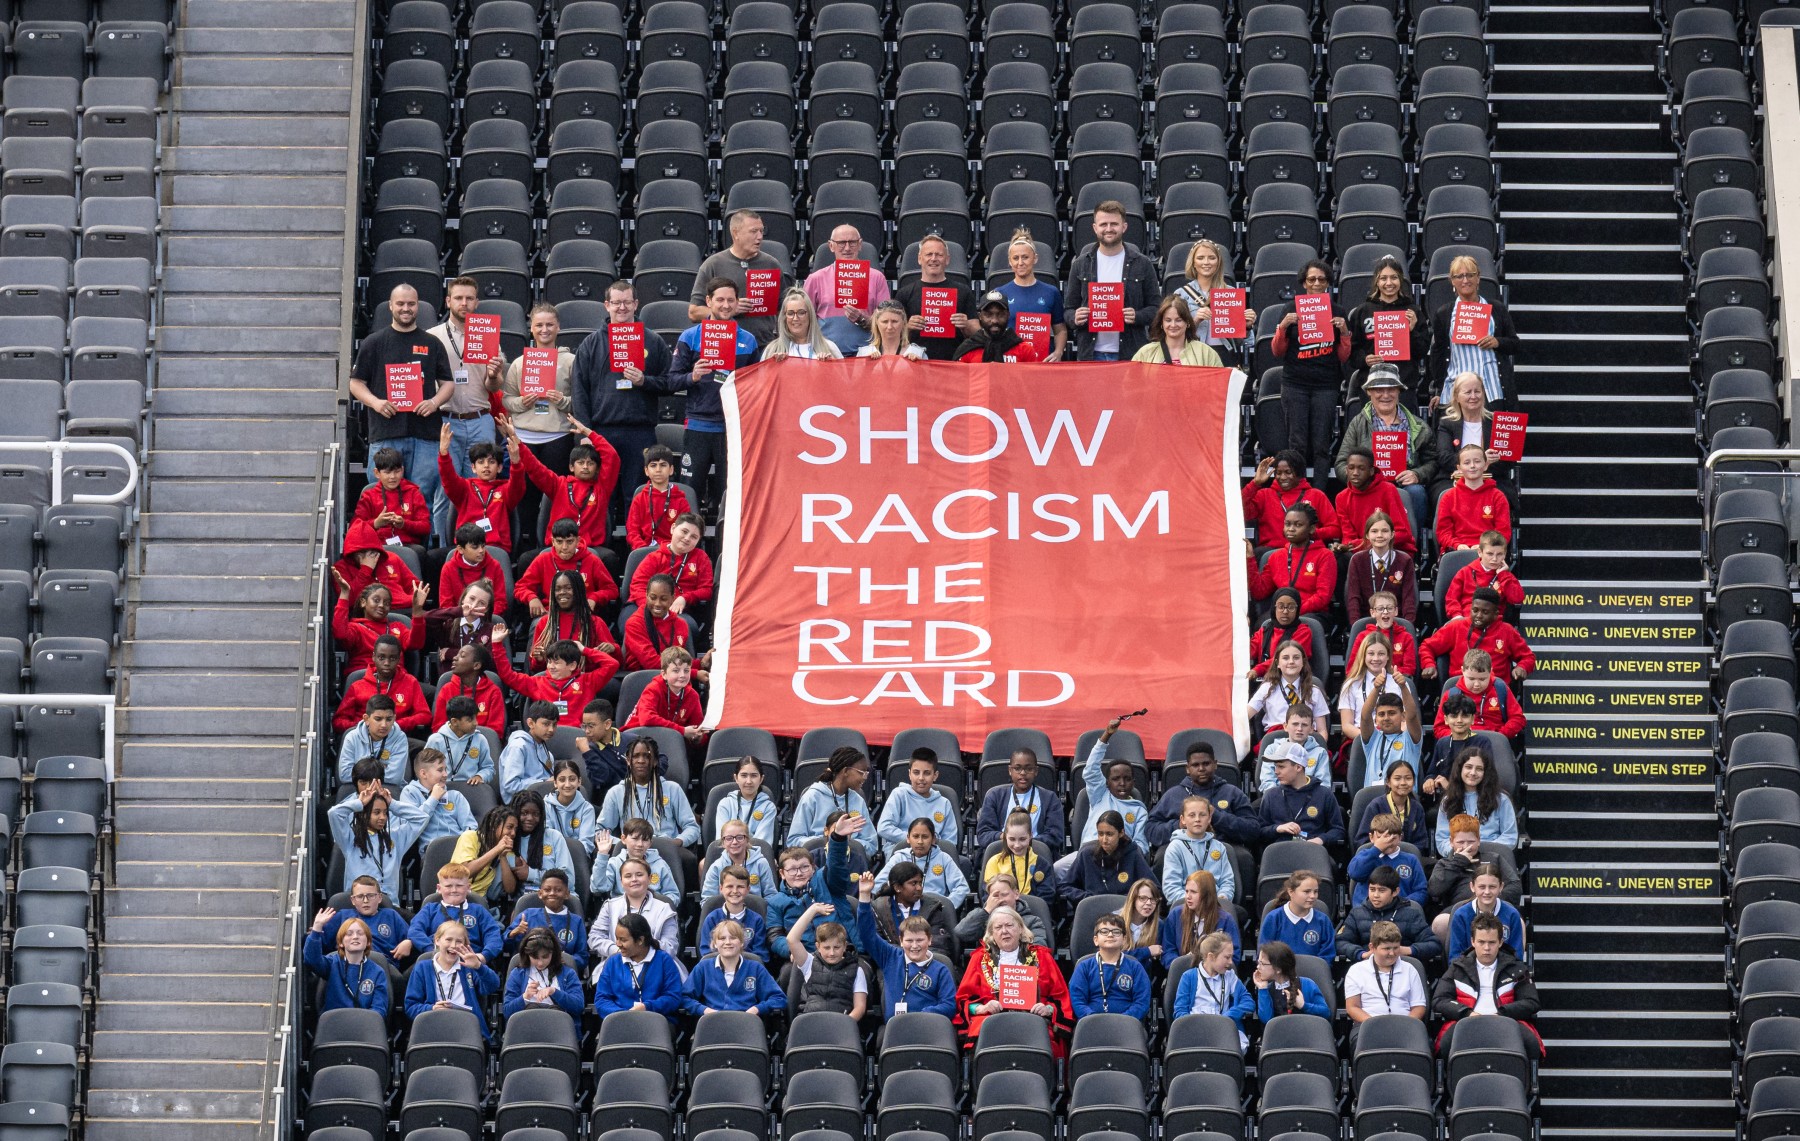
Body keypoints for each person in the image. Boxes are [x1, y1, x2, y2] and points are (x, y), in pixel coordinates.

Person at [350, 284, 457, 542]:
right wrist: (376, 403)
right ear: (390, 306)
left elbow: (448, 383)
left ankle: (419, 555)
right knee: (380, 500)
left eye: (411, 304)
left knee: (422, 500)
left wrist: (434, 402)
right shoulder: (374, 342)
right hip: (385, 434)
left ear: (418, 306)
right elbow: (355, 383)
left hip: (425, 435)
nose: (406, 309)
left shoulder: (431, 343)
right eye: (400, 304)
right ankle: (380, 552)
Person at [571, 279, 675, 522]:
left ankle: (634, 545)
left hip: (640, 431)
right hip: (601, 431)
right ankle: (601, 545)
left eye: (627, 302)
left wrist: (644, 381)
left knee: (636, 496)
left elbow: (670, 383)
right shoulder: (591, 344)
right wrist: (585, 433)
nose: (622, 308)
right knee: (600, 497)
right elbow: (579, 390)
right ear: (606, 305)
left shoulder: (653, 341)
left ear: (636, 304)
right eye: (616, 303)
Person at [670, 278, 760, 513]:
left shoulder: (748, 341)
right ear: (708, 301)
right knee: (689, 494)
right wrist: (693, 376)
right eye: (720, 299)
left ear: (737, 302)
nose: (726, 305)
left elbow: (756, 386)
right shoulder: (690, 337)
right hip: (698, 425)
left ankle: (724, 538)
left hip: (731, 428)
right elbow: (672, 381)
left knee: (729, 495)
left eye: (731, 300)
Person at [500, 303, 582, 535]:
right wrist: (522, 402)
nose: (544, 330)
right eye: (539, 325)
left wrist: (562, 401)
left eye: (549, 325)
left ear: (558, 327)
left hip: (558, 437)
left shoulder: (571, 361)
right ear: (531, 329)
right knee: (525, 496)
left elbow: (580, 402)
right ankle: (526, 543)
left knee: (556, 496)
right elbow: (507, 400)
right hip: (525, 438)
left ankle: (555, 541)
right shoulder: (519, 363)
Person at [1271, 260, 1353, 480]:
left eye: (1321, 279)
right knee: (1296, 443)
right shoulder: (1290, 309)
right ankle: (1297, 490)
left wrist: (1345, 332)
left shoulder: (1338, 311)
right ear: (1304, 283)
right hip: (1295, 384)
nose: (1316, 283)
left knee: (1321, 444)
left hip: (1326, 385)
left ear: (1328, 283)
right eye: (1312, 279)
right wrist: (1283, 327)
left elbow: (1343, 356)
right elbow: (1277, 351)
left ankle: (1319, 493)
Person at [955, 906, 1073, 1052]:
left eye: (1009, 925)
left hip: (1034, 1021)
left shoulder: (1042, 956)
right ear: (991, 934)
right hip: (991, 1021)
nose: (1004, 931)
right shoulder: (979, 958)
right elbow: (963, 1000)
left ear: (1021, 929)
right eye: (998, 927)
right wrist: (982, 1008)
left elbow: (1061, 997)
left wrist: (1048, 1009)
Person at [427, 276, 508, 487]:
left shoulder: (488, 335)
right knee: (446, 488)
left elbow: (494, 386)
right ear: (448, 301)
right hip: (446, 419)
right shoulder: (432, 337)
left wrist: (493, 375)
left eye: (469, 298)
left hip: (480, 419)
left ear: (476, 302)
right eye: (458, 298)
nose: (464, 303)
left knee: (482, 486)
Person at [508, 415, 622, 555]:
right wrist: (518, 442)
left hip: (591, 549)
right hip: (557, 547)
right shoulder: (559, 484)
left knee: (610, 558)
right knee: (525, 559)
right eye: (581, 463)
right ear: (571, 467)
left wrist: (588, 432)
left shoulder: (602, 487)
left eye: (590, 463)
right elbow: (535, 468)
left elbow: (612, 456)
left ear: (597, 468)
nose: (585, 467)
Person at [1431, 913, 1542, 1054]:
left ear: (1500, 942)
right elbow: (1439, 1000)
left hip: (1506, 1021)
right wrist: (1467, 1013)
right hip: (1466, 1021)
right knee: (1445, 1045)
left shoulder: (1517, 968)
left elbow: (1532, 1002)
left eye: (1492, 942)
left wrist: (1502, 1013)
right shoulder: (1457, 968)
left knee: (1532, 1044)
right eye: (1481, 942)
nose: (1486, 948)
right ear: (1473, 941)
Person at [1065, 200, 1159, 360]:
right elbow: (1068, 310)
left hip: (1131, 353)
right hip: (1091, 354)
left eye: (1114, 224)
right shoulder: (1080, 264)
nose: (1108, 229)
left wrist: (1137, 316)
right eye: (1103, 224)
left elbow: (1156, 308)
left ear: (1124, 226)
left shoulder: (1143, 263)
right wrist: (1075, 317)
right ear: (1095, 228)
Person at [855, 872, 957, 1018]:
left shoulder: (941, 969)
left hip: (927, 1025)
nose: (914, 946)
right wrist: (865, 896)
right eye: (909, 941)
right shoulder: (890, 956)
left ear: (929, 940)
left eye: (919, 940)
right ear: (901, 941)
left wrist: (919, 1016)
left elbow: (949, 1005)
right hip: (895, 1027)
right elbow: (867, 934)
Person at [1428, 256, 1519, 409]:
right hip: (1456, 389)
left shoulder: (1497, 308)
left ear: (1478, 278)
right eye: (1459, 276)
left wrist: (1497, 342)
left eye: (1470, 275)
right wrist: (1438, 389)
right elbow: (1438, 354)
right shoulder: (1444, 314)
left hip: (1492, 390)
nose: (1465, 280)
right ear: (1452, 281)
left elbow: (1515, 344)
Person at [765, 816, 860, 959]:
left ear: (813, 867)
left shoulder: (826, 881)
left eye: (804, 867)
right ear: (782, 874)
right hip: (804, 956)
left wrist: (838, 839)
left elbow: (837, 866)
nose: (799, 873)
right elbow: (774, 936)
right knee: (787, 971)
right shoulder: (775, 902)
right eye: (792, 869)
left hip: (842, 953)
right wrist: (791, 951)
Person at [690, 209, 785, 346]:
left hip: (764, 346)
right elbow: (694, 312)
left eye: (761, 231)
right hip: (725, 346)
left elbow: (783, 309)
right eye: (753, 231)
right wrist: (730, 309)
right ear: (736, 233)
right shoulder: (713, 264)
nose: (759, 237)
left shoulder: (771, 264)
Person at [437, 421, 528, 559]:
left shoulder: (505, 489)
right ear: (473, 467)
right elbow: (448, 479)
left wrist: (516, 462)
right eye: (481, 462)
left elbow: (518, 486)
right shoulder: (464, 487)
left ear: (499, 467)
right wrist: (444, 454)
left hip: (496, 548)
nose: (486, 466)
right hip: (466, 547)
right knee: (432, 558)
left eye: (491, 462)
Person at [492, 631, 618, 728]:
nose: (551, 666)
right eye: (549, 662)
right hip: (546, 738)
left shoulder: (587, 681)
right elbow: (507, 675)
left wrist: (584, 650)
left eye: (556, 663)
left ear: (572, 665)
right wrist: (497, 645)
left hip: (579, 737)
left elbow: (612, 664)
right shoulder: (537, 682)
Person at [1345, 255, 1427, 403]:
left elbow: (1421, 351)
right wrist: (1364, 359)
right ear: (1377, 282)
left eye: (1394, 277)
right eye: (1383, 278)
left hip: (1404, 386)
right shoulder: (1362, 311)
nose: (1389, 283)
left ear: (1400, 280)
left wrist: (1412, 331)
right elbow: (1351, 351)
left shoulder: (1412, 311)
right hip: (1372, 385)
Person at [328, 782, 430, 898]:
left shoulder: (396, 837)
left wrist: (392, 804)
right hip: (358, 904)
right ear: (364, 814)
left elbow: (422, 818)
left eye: (385, 813)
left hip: (389, 904)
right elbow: (334, 813)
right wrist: (359, 803)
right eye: (376, 812)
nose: (383, 817)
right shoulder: (350, 838)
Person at [804, 223, 893, 355]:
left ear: (860, 244)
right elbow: (805, 319)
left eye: (852, 243)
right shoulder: (815, 279)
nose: (847, 248)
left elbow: (887, 322)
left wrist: (863, 320)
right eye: (841, 243)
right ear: (831, 246)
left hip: (867, 355)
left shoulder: (877, 278)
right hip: (826, 355)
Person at [1148, 742, 1258, 849]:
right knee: (1162, 856)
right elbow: (1150, 829)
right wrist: (1180, 825)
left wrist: (1216, 816)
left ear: (1215, 764)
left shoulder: (1232, 792)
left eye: (1206, 764)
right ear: (1187, 768)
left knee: (1243, 857)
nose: (1201, 769)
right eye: (1195, 765)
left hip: (1223, 848)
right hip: (1182, 849)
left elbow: (1253, 830)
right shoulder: (1172, 795)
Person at [1433, 371, 1518, 508]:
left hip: (1492, 477)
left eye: (1477, 391)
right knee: (1446, 496)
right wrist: (1478, 462)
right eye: (1468, 392)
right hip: (1452, 477)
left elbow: (1508, 460)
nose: (1473, 396)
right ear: (1457, 396)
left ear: (1483, 394)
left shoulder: (1498, 422)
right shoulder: (1446, 423)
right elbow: (1444, 457)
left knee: (1499, 496)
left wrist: (1480, 470)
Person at [598, 734, 700, 846]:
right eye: (635, 756)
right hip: (630, 850)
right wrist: (624, 843)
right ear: (628, 760)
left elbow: (692, 827)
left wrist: (676, 843)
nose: (641, 760)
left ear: (655, 761)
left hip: (666, 847)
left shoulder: (672, 789)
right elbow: (600, 831)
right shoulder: (616, 792)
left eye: (647, 756)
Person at [404, 920, 501, 1036]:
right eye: (448, 940)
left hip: (466, 1028)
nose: (453, 945)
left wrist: (479, 967)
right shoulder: (422, 968)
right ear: (437, 940)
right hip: (433, 1026)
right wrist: (431, 1008)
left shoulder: (469, 967)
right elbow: (411, 1007)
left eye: (459, 941)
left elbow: (493, 986)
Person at [1173, 238, 1255, 368]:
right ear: (1193, 263)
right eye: (1200, 258)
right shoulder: (1181, 294)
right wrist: (1195, 320)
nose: (1206, 262)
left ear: (1218, 262)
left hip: (1225, 354)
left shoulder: (1231, 292)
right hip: (1194, 354)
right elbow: (1173, 334)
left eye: (1211, 258)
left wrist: (1246, 327)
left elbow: (1244, 342)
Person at [1248, 504, 1339, 619]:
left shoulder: (1325, 555)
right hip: (1283, 612)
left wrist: (1294, 610)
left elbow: (1322, 597)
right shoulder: (1276, 556)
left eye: (1298, 525)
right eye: (1287, 524)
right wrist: (1250, 558)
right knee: (1263, 624)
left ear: (1311, 529)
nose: (1291, 529)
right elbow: (1260, 592)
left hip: (1313, 613)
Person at [1337, 865, 1441, 964]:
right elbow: (1340, 942)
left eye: (1381, 891)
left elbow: (1434, 944)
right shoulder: (1357, 913)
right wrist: (1361, 954)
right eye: (1372, 889)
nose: (1375, 895)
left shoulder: (1411, 914)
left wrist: (1406, 950)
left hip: (1403, 967)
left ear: (1395, 891)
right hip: (1367, 968)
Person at [896, 234, 977, 360]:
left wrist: (966, 325)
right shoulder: (904, 293)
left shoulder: (963, 291)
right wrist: (908, 327)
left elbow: (978, 333)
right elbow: (890, 333)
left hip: (953, 361)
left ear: (947, 259)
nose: (933, 259)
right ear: (919, 259)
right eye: (929, 254)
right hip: (915, 361)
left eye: (939, 255)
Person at [683, 919, 786, 1018]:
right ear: (715, 944)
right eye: (722, 938)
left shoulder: (756, 968)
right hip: (713, 1023)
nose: (728, 942)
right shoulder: (703, 968)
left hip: (746, 1023)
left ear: (742, 942)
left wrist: (756, 1009)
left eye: (733, 938)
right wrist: (704, 1010)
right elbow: (684, 998)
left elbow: (779, 998)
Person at [788, 746, 879, 858]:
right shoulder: (812, 797)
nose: (865, 777)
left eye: (866, 773)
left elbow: (871, 843)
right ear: (845, 771)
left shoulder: (858, 801)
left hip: (850, 859)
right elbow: (794, 840)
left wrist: (847, 845)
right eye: (861, 772)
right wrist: (828, 842)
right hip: (817, 859)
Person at [330, 572, 425, 679]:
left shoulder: (397, 627)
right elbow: (340, 634)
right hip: (364, 681)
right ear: (363, 602)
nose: (381, 605)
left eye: (387, 603)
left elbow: (415, 643)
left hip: (396, 681)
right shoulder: (356, 628)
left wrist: (417, 611)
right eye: (376, 600)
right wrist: (344, 593)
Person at [1241, 450, 1341, 551]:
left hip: (1307, 552)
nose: (1283, 477)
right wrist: (1255, 483)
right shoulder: (1264, 495)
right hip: (1272, 553)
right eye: (1278, 473)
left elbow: (1335, 529)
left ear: (1298, 473)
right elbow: (1240, 511)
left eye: (1288, 472)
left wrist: (1310, 533)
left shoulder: (1316, 495)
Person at [593, 912, 684, 1021]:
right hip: (620, 1022)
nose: (618, 944)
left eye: (623, 940)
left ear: (640, 940)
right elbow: (602, 999)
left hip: (656, 1022)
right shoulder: (612, 962)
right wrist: (622, 1015)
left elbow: (673, 997)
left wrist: (647, 1007)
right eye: (617, 938)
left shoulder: (664, 961)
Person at [993, 228, 1068, 361]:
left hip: (1042, 362)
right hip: (1010, 363)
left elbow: (1060, 329)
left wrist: (1058, 352)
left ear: (1035, 258)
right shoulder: (1000, 293)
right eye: (1015, 258)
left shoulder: (1051, 292)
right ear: (1010, 261)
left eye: (1025, 257)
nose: (1020, 263)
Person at [1429, 814, 1523, 919]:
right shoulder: (1444, 864)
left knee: (1519, 921)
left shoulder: (1495, 858)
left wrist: (1490, 898)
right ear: (1451, 842)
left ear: (1478, 840)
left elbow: (1515, 886)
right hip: (1458, 913)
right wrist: (1458, 862)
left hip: (1494, 910)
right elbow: (1434, 890)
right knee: (1440, 922)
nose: (1466, 847)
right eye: (1460, 842)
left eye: (1471, 842)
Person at [589, 857, 681, 963]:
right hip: (617, 962)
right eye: (628, 876)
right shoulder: (610, 906)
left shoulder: (664, 909)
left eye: (639, 875)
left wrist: (644, 951)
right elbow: (595, 937)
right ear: (621, 881)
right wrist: (617, 950)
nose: (634, 879)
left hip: (657, 963)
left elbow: (671, 946)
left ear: (650, 878)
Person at [1343, 922, 1428, 1035]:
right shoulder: (1356, 970)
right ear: (1372, 947)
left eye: (1396, 948)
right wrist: (1376, 1025)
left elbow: (1419, 1006)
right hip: (1368, 1025)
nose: (1392, 953)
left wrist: (1405, 1026)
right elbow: (1352, 1007)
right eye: (1386, 948)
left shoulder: (1410, 970)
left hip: (1405, 1026)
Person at [786, 902, 869, 1017]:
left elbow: (860, 1007)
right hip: (811, 1021)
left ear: (845, 946)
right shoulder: (809, 963)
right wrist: (813, 910)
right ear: (818, 946)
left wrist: (845, 1023)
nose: (832, 953)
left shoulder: (857, 970)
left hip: (841, 1022)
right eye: (826, 948)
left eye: (837, 947)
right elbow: (792, 939)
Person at [1079, 718, 1150, 851]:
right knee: (1056, 865)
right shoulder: (1100, 795)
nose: (1122, 783)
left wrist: (1127, 844)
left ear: (1133, 782)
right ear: (1107, 782)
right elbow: (1090, 771)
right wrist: (1107, 735)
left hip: (1120, 856)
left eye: (1127, 779)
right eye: (1116, 779)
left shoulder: (1139, 811)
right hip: (1089, 853)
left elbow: (1142, 846)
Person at [1255, 744, 1345, 849]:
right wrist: (1277, 828)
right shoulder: (1271, 795)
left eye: (1281, 767)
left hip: (1314, 852)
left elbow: (1338, 831)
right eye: (1276, 766)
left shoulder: (1324, 794)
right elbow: (1260, 832)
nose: (1276, 771)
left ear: (1298, 767)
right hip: (1280, 853)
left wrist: (1321, 840)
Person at [974, 747, 1065, 852]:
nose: (1023, 773)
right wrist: (1009, 839)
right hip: (1001, 852)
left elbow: (1055, 836)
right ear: (1010, 770)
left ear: (1036, 771)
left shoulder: (1050, 799)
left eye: (1029, 769)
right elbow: (983, 834)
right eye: (1017, 768)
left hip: (1036, 853)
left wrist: (1026, 842)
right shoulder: (994, 796)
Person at [517, 520, 612, 619]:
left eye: (569, 541)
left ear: (578, 541)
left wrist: (594, 598)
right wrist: (531, 598)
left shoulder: (592, 560)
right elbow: (521, 587)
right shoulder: (542, 560)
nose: (564, 547)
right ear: (553, 541)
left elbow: (611, 589)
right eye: (559, 541)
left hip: (583, 615)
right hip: (550, 615)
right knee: (538, 624)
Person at [1334, 447, 1418, 558]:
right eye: (1351, 468)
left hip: (1393, 549)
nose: (1355, 473)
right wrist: (1346, 546)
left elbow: (1403, 534)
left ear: (1371, 471)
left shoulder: (1388, 490)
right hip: (1361, 552)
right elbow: (1349, 538)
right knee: (1338, 557)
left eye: (1361, 468)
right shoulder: (1341, 497)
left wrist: (1368, 543)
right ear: (1346, 470)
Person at [1172, 931, 1252, 1047]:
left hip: (1223, 1029)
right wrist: (1197, 1026)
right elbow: (1180, 1011)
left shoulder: (1230, 977)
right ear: (1211, 957)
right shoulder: (1189, 977)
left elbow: (1248, 1002)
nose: (1231, 962)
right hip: (1196, 1031)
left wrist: (1229, 1016)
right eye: (1227, 957)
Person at [1434, 751, 1519, 857]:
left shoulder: (1501, 800)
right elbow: (1442, 839)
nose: (1473, 773)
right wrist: (1459, 853)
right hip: (1458, 857)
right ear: (1460, 769)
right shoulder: (1448, 800)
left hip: (1492, 857)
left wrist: (1480, 851)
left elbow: (1510, 837)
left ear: (1486, 772)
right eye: (1468, 767)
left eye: (1479, 769)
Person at [305, 911, 391, 1015]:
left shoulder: (377, 972)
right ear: (341, 943)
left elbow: (379, 1008)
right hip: (335, 1021)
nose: (355, 937)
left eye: (360, 933)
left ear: (368, 942)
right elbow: (312, 959)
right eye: (349, 934)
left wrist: (366, 1021)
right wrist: (317, 928)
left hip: (365, 1022)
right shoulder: (332, 963)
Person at [1069, 913, 1153, 1019]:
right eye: (1104, 931)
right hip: (1091, 1023)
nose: (1110, 935)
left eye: (1116, 932)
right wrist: (1092, 1018)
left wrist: (1124, 1019)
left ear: (1124, 939)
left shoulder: (1135, 967)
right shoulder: (1084, 967)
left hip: (1127, 1023)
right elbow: (1077, 1000)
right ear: (1096, 940)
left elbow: (1142, 1002)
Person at [1431, 652, 1527, 743]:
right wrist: (1458, 737)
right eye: (1471, 679)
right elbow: (1439, 728)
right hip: (1461, 743)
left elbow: (1518, 718)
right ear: (1462, 671)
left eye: (1482, 679)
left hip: (1494, 742)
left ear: (1490, 671)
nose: (1476, 684)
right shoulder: (1451, 694)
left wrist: (1501, 735)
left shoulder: (1500, 689)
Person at [506, 868, 587, 973]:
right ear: (540, 893)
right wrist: (514, 933)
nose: (552, 893)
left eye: (558, 890)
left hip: (563, 973)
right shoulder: (528, 915)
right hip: (528, 973)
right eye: (547, 890)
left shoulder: (576, 921)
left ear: (567, 894)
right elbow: (506, 947)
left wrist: (565, 960)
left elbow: (583, 957)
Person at [1062, 810, 1156, 900]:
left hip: (1124, 908)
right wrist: (1087, 898)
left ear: (1121, 833)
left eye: (1109, 834)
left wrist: (1131, 899)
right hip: (1093, 908)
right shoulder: (1086, 854)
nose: (1104, 840)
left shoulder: (1133, 854)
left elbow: (1153, 887)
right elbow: (1064, 886)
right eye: (1100, 834)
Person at [627, 513, 713, 611]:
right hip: (648, 607)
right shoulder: (654, 557)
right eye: (684, 532)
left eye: (694, 537)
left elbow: (706, 590)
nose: (687, 538)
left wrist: (685, 598)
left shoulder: (701, 557)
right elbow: (637, 587)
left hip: (680, 610)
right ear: (673, 528)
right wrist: (654, 607)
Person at [870, 862, 959, 956]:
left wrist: (915, 956)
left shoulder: (932, 908)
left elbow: (939, 946)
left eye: (920, 883)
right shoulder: (879, 909)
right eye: (914, 883)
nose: (919, 888)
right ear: (897, 887)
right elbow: (875, 944)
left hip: (926, 961)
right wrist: (902, 956)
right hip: (890, 961)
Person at [878, 749, 959, 851]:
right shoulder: (899, 795)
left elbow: (950, 842)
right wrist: (914, 840)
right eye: (916, 773)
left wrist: (930, 846)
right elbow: (883, 827)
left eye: (927, 773)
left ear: (935, 775)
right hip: (901, 852)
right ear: (909, 774)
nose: (921, 778)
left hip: (934, 853)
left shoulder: (944, 803)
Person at [1436, 444, 1513, 552]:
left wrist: (1485, 546)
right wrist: (1457, 545)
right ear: (1459, 468)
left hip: (1488, 553)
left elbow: (1503, 532)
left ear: (1485, 465)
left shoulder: (1498, 496)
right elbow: (1443, 532)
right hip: (1457, 551)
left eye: (1477, 461)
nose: (1472, 466)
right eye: (1467, 463)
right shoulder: (1448, 497)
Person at [1161, 796, 1237, 904]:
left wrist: (1222, 897)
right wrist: (1194, 902)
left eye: (1202, 815)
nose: (1197, 819)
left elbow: (1227, 882)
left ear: (1209, 818)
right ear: (1183, 820)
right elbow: (1171, 886)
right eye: (1192, 815)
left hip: (1216, 904)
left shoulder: (1219, 847)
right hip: (1185, 905)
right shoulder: (1175, 847)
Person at [1160, 869, 1242, 969]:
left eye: (1193, 892)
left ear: (1207, 895)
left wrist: (1208, 968)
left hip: (1215, 974)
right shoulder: (1175, 915)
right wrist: (1182, 966)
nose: (1188, 896)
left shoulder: (1226, 920)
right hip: (1182, 974)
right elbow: (1167, 952)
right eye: (1186, 891)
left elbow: (1234, 956)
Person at [1246, 642, 1329, 739]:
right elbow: (1245, 716)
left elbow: (1322, 731)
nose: (1291, 662)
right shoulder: (1267, 688)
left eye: (1296, 658)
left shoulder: (1314, 691)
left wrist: (1318, 746)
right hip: (1276, 741)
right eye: (1285, 658)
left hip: (1306, 741)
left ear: (1303, 662)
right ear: (1277, 663)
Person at [877, 819, 969, 907]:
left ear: (933, 839)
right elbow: (878, 884)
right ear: (908, 838)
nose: (920, 842)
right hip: (904, 909)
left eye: (925, 837)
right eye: (915, 836)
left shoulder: (943, 858)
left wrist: (946, 906)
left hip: (936, 910)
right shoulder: (899, 858)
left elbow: (962, 887)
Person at [501, 928, 585, 1023]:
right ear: (527, 954)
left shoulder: (568, 973)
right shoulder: (517, 974)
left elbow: (578, 1007)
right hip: (527, 1026)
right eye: (535, 957)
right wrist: (525, 996)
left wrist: (554, 992)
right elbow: (507, 1011)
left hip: (558, 1027)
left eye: (545, 957)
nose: (540, 963)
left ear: (553, 953)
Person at [353, 446, 430, 549]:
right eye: (387, 472)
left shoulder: (414, 493)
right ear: (377, 473)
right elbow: (355, 528)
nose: (393, 477)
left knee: (418, 552)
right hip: (376, 547)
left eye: (397, 471)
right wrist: (376, 523)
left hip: (408, 546)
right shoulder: (369, 496)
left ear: (402, 470)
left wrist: (404, 524)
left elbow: (425, 527)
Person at [1445, 862, 1526, 960]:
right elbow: (1455, 957)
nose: (1487, 892)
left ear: (1501, 887)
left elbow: (1517, 957)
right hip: (1468, 968)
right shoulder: (1461, 915)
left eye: (1492, 887)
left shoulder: (1512, 914)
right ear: (1472, 887)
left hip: (1504, 968)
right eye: (1482, 887)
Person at [1352, 684, 1424, 792]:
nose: (1386, 718)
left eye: (1391, 713)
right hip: (1373, 798)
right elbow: (1365, 717)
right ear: (1376, 719)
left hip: (1403, 798)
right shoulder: (1373, 739)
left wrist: (1403, 687)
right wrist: (1376, 688)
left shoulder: (1410, 739)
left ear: (1403, 716)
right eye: (1381, 714)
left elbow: (1412, 716)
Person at [400, 748, 479, 847]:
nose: (445, 774)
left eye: (446, 769)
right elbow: (410, 826)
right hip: (433, 848)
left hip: (460, 846)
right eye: (440, 770)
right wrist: (433, 799)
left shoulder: (455, 796)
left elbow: (471, 827)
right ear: (423, 773)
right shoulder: (410, 792)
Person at [321, 875, 410, 960]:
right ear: (353, 900)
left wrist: (409, 942)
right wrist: (317, 928)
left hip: (382, 963)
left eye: (371, 896)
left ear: (379, 898)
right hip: (349, 962)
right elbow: (321, 944)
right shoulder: (342, 916)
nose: (366, 900)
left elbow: (413, 935)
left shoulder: (391, 915)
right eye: (360, 896)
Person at [1345, 519, 1418, 624]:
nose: (1379, 535)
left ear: (1392, 534)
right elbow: (1353, 598)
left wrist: (1407, 626)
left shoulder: (1404, 560)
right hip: (1367, 622)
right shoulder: (1357, 560)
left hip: (1396, 622)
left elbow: (1408, 599)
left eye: (1385, 531)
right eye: (1374, 531)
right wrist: (1356, 626)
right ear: (1367, 535)